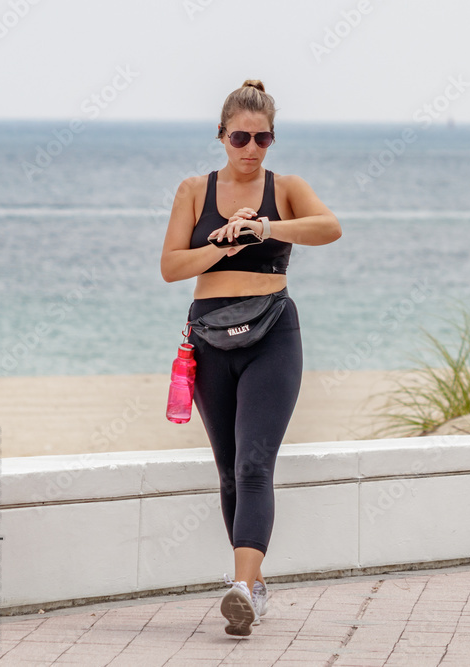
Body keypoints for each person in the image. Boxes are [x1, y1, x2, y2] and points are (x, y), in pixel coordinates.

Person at [160, 80, 341, 636]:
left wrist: (263, 227)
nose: (251, 147)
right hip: (210, 338)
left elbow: (328, 228)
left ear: (271, 140)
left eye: (262, 137)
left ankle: (240, 586)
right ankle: (254, 587)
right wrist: (218, 245)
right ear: (221, 136)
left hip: (272, 335)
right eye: (240, 136)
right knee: (229, 471)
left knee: (255, 464)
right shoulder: (194, 190)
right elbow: (171, 267)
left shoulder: (285, 188)